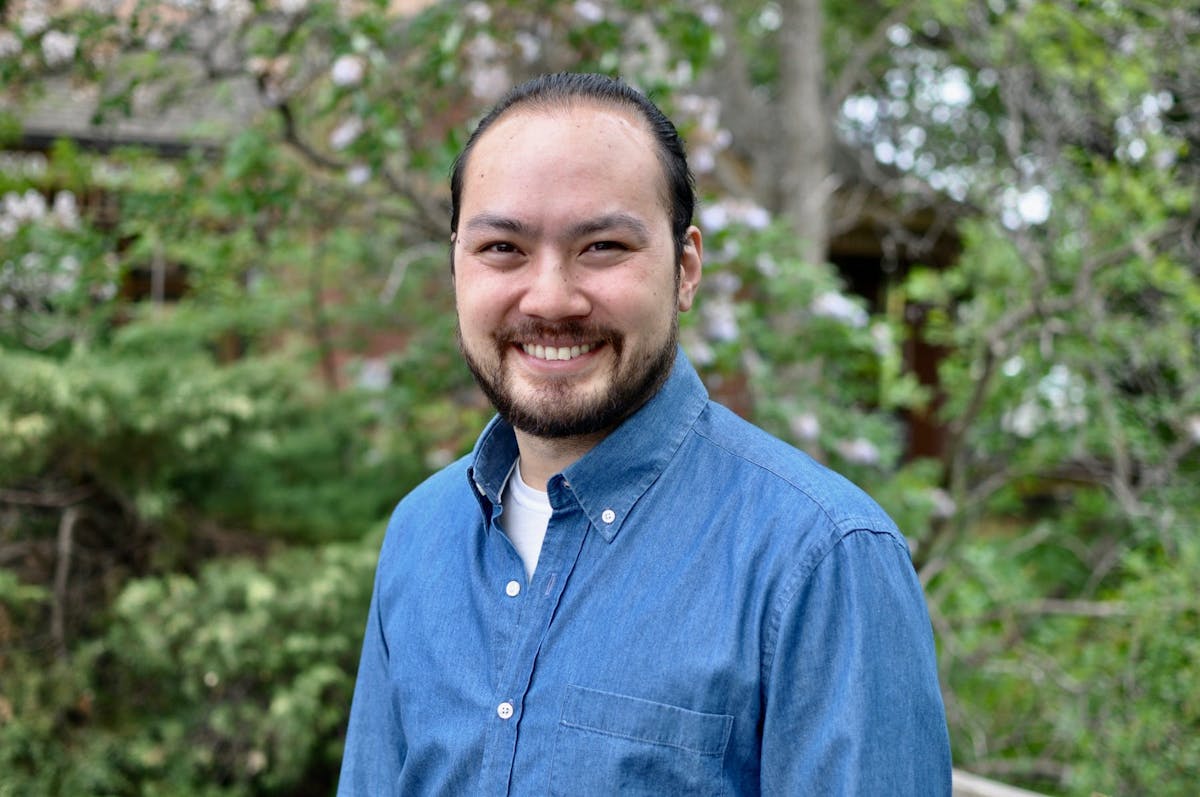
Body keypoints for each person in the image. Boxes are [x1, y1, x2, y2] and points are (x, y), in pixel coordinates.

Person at [338, 72, 952, 796]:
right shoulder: (421, 535)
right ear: (456, 266)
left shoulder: (822, 560)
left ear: (686, 269)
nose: (550, 298)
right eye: (503, 248)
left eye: (601, 247)